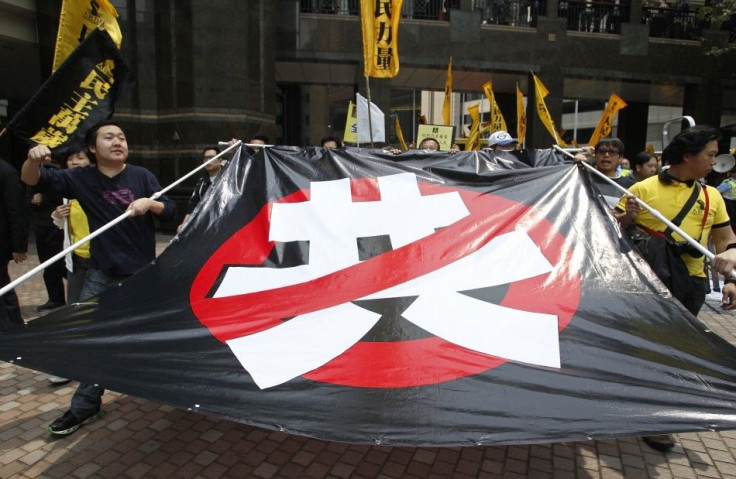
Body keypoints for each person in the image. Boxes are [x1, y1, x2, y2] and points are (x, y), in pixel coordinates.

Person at [21, 120, 176, 436]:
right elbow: (33, 180)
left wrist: (151, 203)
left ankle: (176, 393)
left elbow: (171, 209)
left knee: (160, 339)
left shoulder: (142, 177)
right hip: (101, 275)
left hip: (144, 276)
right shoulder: (79, 179)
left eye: (122, 136)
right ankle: (85, 406)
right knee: (96, 343)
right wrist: (32, 160)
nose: (118, 141)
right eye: (109, 137)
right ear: (92, 148)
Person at [615, 125, 736, 450]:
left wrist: (732, 275)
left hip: (691, 285)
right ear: (688, 155)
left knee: (675, 352)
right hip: (646, 282)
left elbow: (727, 241)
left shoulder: (713, 197)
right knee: (649, 348)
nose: (715, 161)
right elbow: (611, 230)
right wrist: (627, 217)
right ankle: (650, 413)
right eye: (710, 154)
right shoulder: (643, 189)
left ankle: (657, 414)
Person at [46, 148, 94, 386]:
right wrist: (57, 216)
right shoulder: (67, 192)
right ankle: (71, 364)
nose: (75, 162)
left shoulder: (99, 188)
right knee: (74, 312)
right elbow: (65, 228)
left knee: (97, 313)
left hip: (102, 264)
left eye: (80, 157)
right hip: (77, 261)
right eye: (71, 159)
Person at [27, 162, 66, 311]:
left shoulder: (55, 171)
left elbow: (62, 194)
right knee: (47, 264)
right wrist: (31, 199)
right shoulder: (31, 173)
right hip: (42, 225)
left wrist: (44, 196)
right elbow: (24, 196)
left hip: (58, 225)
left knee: (61, 264)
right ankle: (55, 298)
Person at [0, 157, 29, 333]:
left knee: (3, 286)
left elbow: (17, 210)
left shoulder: (6, 171)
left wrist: (19, 246)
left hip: (1, 240)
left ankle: (12, 326)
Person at [575, 138, 635, 209]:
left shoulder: (630, 186)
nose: (606, 155)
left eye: (612, 152)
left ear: (620, 158)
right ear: (595, 155)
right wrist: (577, 158)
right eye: (601, 151)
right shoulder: (582, 178)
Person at [177, 147, 222, 233]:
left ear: (220, 160)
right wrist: (184, 224)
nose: (208, 160)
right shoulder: (201, 183)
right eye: (205, 158)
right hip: (206, 228)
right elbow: (193, 206)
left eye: (211, 157)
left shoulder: (229, 177)